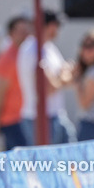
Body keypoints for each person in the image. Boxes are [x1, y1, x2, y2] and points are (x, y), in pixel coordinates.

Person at [17, 9, 77, 144]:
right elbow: (49, 88)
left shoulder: (50, 48)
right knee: (47, 164)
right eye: (57, 25)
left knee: (71, 160)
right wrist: (62, 76)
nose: (58, 30)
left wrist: (60, 78)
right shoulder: (31, 50)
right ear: (50, 26)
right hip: (38, 119)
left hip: (57, 115)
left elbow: (70, 77)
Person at [0, 15, 31, 150]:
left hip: (27, 117)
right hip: (12, 120)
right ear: (11, 34)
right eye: (20, 31)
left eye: (27, 31)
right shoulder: (7, 59)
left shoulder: (28, 54)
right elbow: (0, 92)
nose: (25, 35)